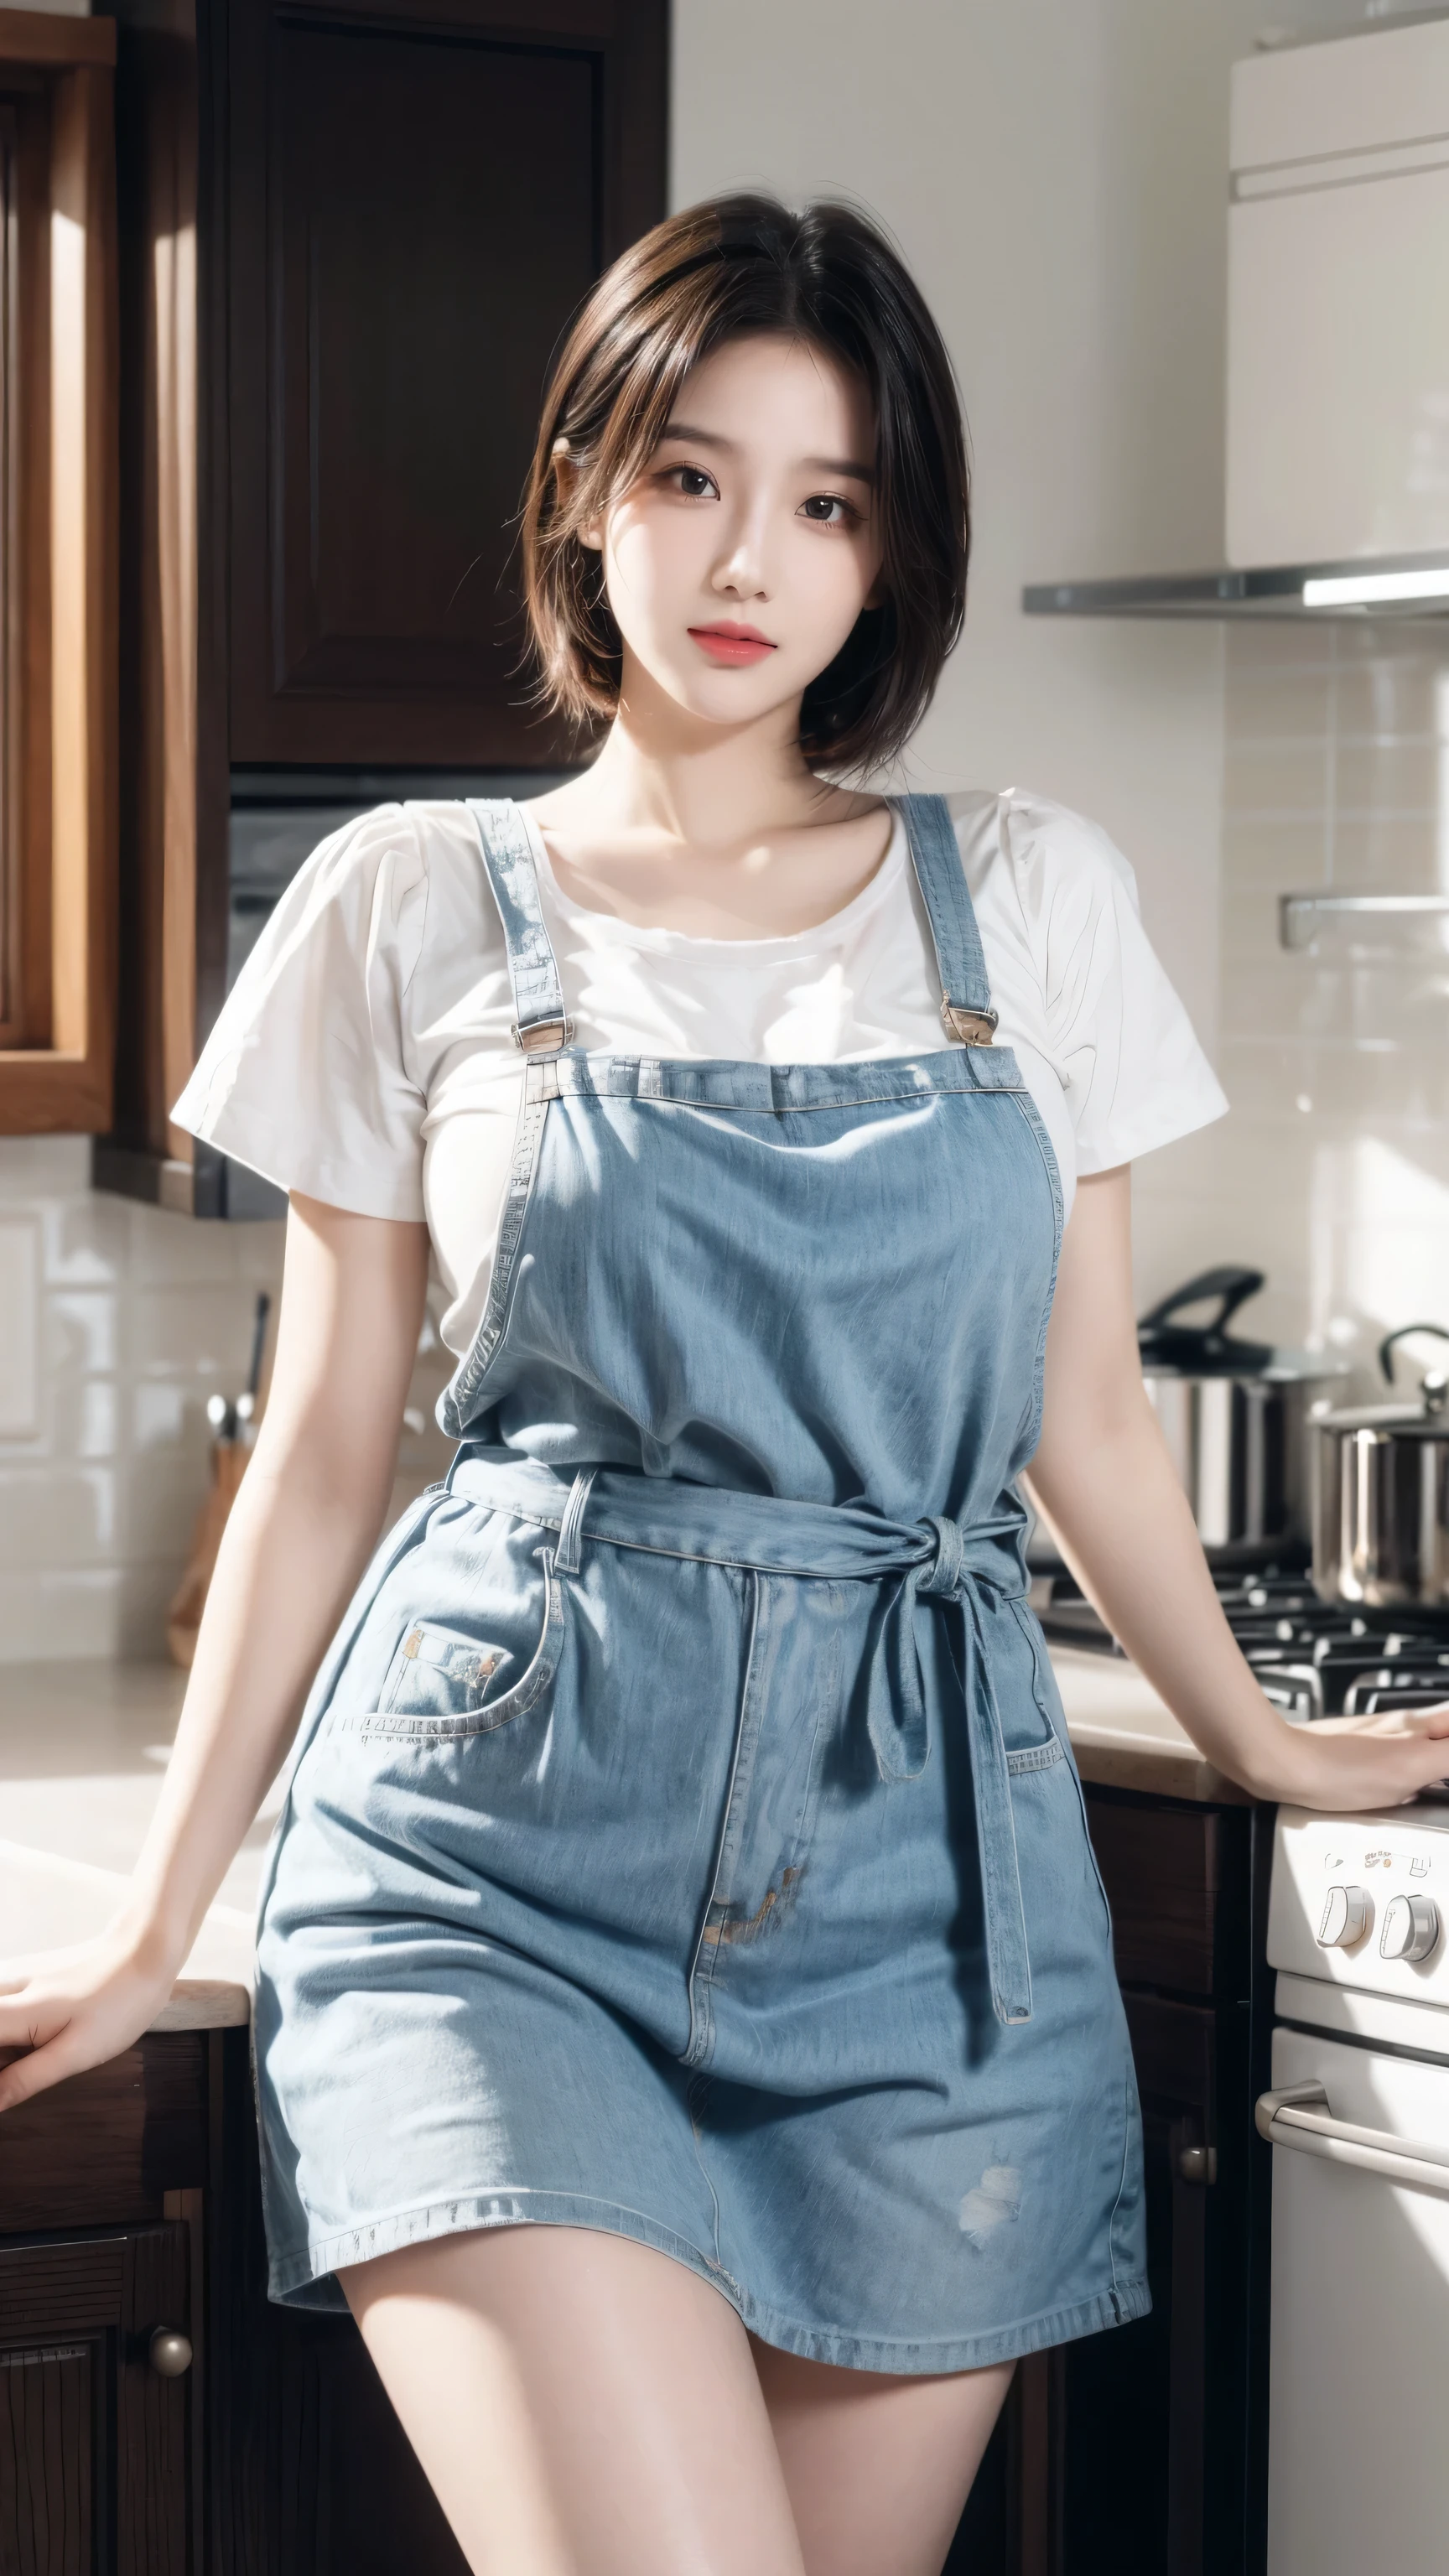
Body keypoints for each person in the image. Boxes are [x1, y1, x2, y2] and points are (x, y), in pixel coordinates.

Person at [3, 195, 1446, 2576]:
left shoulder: (1033, 894)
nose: (747, 552)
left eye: (828, 497)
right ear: (583, 485)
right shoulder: (410, 898)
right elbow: (332, 1447)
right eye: (688, 474)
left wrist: (1258, 1742)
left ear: (894, 553)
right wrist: (172, 1914)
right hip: (498, 1868)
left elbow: (1084, 1411)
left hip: (929, 1893)